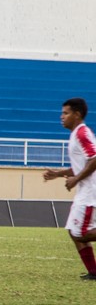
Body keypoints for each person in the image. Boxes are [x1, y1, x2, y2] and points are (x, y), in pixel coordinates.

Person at [42, 98, 96, 281]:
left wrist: (75, 179)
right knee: (74, 231)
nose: (61, 117)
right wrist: (59, 174)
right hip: (84, 190)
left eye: (66, 113)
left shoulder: (82, 133)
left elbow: (95, 159)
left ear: (77, 114)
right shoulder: (75, 135)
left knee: (81, 233)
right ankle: (94, 272)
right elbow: (81, 165)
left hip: (91, 192)